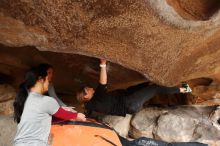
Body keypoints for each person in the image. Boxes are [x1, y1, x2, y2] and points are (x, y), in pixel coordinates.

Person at [76, 59, 192, 117]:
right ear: (86, 95)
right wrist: (103, 64)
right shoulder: (97, 99)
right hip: (130, 103)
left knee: (136, 87)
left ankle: (149, 81)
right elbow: (102, 82)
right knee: (155, 88)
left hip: (129, 104)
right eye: (89, 89)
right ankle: (184, 89)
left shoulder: (92, 104)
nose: (91, 88)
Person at [13, 66, 86, 146]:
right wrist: (77, 115)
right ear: (41, 80)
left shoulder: (28, 99)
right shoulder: (45, 100)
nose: (48, 82)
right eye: (47, 79)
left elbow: (45, 120)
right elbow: (63, 114)